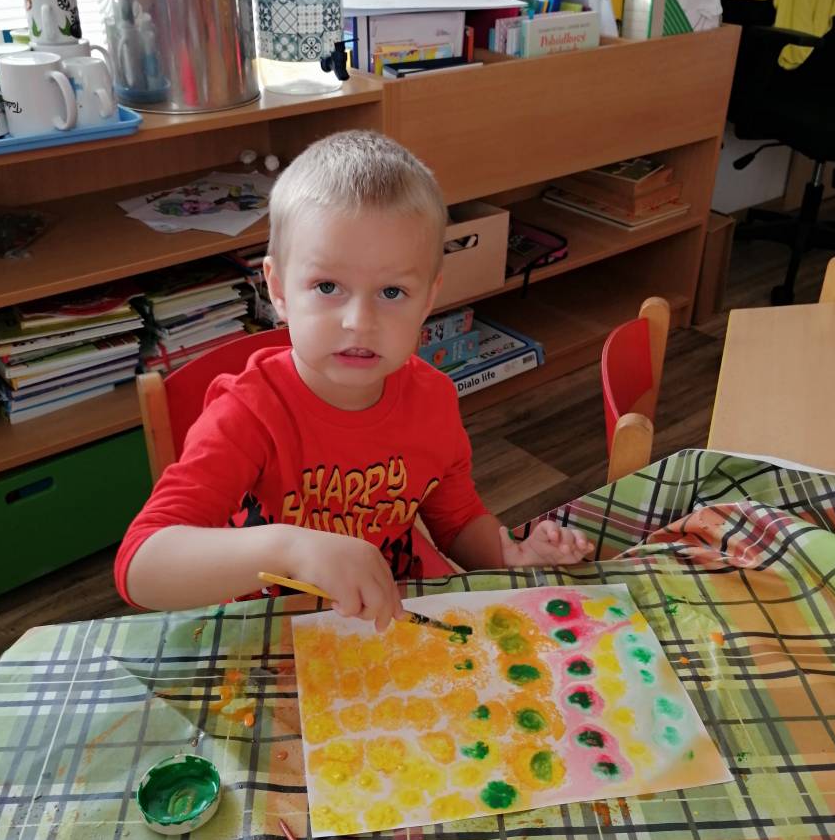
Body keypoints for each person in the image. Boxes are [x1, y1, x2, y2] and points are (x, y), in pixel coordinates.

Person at [115, 131, 592, 625]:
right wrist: (290, 549)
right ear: (278, 290)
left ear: (428, 300)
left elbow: (456, 522)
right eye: (328, 286)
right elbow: (140, 565)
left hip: (392, 621)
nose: (360, 322)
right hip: (275, 628)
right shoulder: (248, 413)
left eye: (392, 292)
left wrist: (509, 556)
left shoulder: (432, 399)